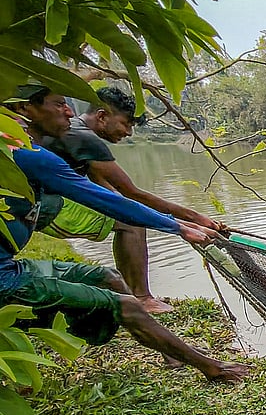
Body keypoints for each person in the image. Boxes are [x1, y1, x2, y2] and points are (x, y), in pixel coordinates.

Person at [3, 84, 248, 382]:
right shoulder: (30, 155)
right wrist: (180, 226)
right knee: (126, 304)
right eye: (58, 104)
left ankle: (170, 350)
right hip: (7, 280)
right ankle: (212, 367)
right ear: (24, 108)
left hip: (12, 264)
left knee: (110, 278)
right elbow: (112, 199)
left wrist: (185, 221)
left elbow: (113, 195)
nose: (69, 111)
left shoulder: (24, 147)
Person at [38, 86, 222, 314]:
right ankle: (142, 298)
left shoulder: (74, 132)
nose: (128, 133)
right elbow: (132, 193)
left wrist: (183, 224)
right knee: (131, 223)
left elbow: (112, 196)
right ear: (102, 116)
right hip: (43, 207)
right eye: (126, 123)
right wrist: (194, 217)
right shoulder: (83, 138)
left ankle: (130, 294)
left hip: (45, 202)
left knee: (129, 215)